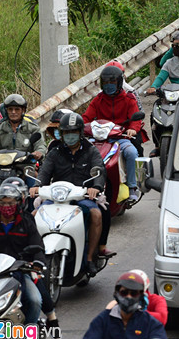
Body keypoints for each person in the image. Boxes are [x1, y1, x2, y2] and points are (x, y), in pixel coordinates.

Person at [31, 112, 107, 277]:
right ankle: (33, 257)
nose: (70, 136)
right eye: (66, 132)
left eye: (73, 132)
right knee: (34, 214)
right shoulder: (55, 152)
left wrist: (96, 187)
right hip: (57, 197)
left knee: (96, 214)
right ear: (62, 134)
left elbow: (99, 170)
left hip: (83, 197)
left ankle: (88, 258)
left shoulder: (91, 151)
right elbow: (44, 172)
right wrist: (37, 186)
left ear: (80, 133)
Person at [0, 183, 46, 328]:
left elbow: (38, 247)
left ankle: (27, 336)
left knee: (35, 300)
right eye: (3, 203)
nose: (7, 206)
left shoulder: (27, 224)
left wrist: (37, 263)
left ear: (18, 203)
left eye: (11, 203)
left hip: (20, 272)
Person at [0, 93, 45, 213]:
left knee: (33, 188)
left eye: (17, 109)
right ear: (6, 111)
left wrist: (39, 152)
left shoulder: (32, 128)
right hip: (1, 167)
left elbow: (40, 145)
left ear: (23, 110)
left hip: (25, 166)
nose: (13, 112)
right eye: (10, 109)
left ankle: (31, 216)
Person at [83, 65, 142, 202]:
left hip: (120, 138)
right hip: (100, 139)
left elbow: (136, 119)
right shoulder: (98, 100)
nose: (109, 85)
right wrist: (80, 127)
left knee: (131, 152)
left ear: (119, 83)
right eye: (106, 83)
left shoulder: (129, 99)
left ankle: (132, 187)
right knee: (84, 152)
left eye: (112, 82)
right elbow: (86, 118)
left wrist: (132, 129)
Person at [79, 271, 168, 339]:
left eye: (133, 293)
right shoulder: (102, 321)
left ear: (141, 297)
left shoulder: (151, 324)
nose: (128, 297)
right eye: (124, 292)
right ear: (116, 294)